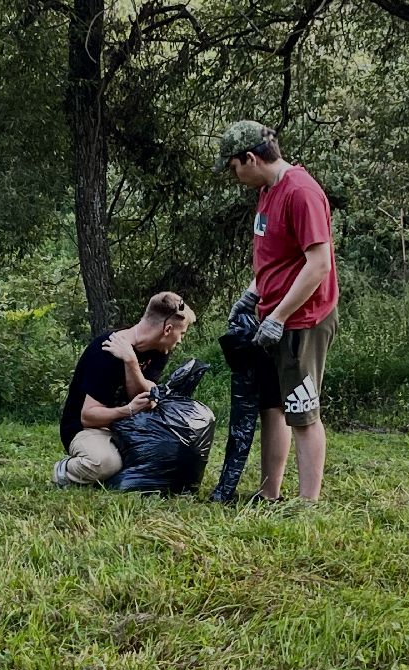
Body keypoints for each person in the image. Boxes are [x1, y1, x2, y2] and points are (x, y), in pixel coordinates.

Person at [215, 119, 339, 503]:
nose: (234, 175)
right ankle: (269, 494)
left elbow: (318, 264)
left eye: (234, 166)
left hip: (301, 320)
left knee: (302, 410)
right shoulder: (268, 191)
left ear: (250, 158)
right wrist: (252, 295)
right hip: (271, 317)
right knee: (273, 406)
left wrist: (279, 317)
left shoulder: (300, 192)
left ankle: (307, 504)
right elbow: (276, 258)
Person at [53, 292, 195, 487]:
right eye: (183, 333)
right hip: (87, 428)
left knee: (171, 452)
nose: (180, 341)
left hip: (124, 426)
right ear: (168, 329)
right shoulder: (105, 351)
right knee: (105, 463)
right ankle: (65, 471)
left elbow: (147, 398)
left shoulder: (159, 349)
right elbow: (88, 416)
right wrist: (129, 410)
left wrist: (131, 362)